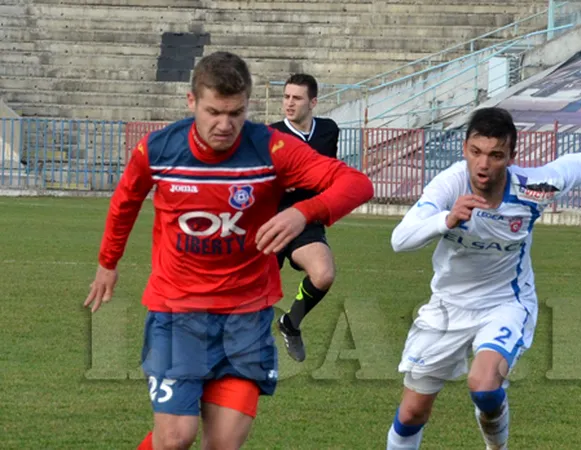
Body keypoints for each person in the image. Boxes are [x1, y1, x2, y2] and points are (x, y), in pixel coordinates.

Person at [83, 51, 373, 450]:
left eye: (235, 113)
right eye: (213, 112)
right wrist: (107, 263)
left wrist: (304, 213)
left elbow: (356, 183)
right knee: (175, 439)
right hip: (177, 314)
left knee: (222, 445)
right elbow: (125, 201)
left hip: (246, 320)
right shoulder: (159, 149)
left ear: (248, 105)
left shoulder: (271, 148)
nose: (224, 124)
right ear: (192, 102)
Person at [385, 107, 581, 449]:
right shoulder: (450, 184)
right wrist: (447, 219)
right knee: (412, 413)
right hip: (447, 306)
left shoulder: (535, 188)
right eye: (476, 152)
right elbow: (400, 240)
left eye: (495, 155)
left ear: (511, 157)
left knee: (484, 387)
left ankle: (496, 446)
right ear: (465, 150)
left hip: (506, 302)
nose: (483, 164)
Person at [269, 73, 341, 362]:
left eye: (296, 98)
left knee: (323, 275)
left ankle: (290, 323)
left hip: (306, 220)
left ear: (313, 102)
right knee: (252, 295)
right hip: (270, 222)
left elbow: (328, 172)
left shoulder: (328, 130)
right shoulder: (271, 135)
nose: (289, 103)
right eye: (286, 97)